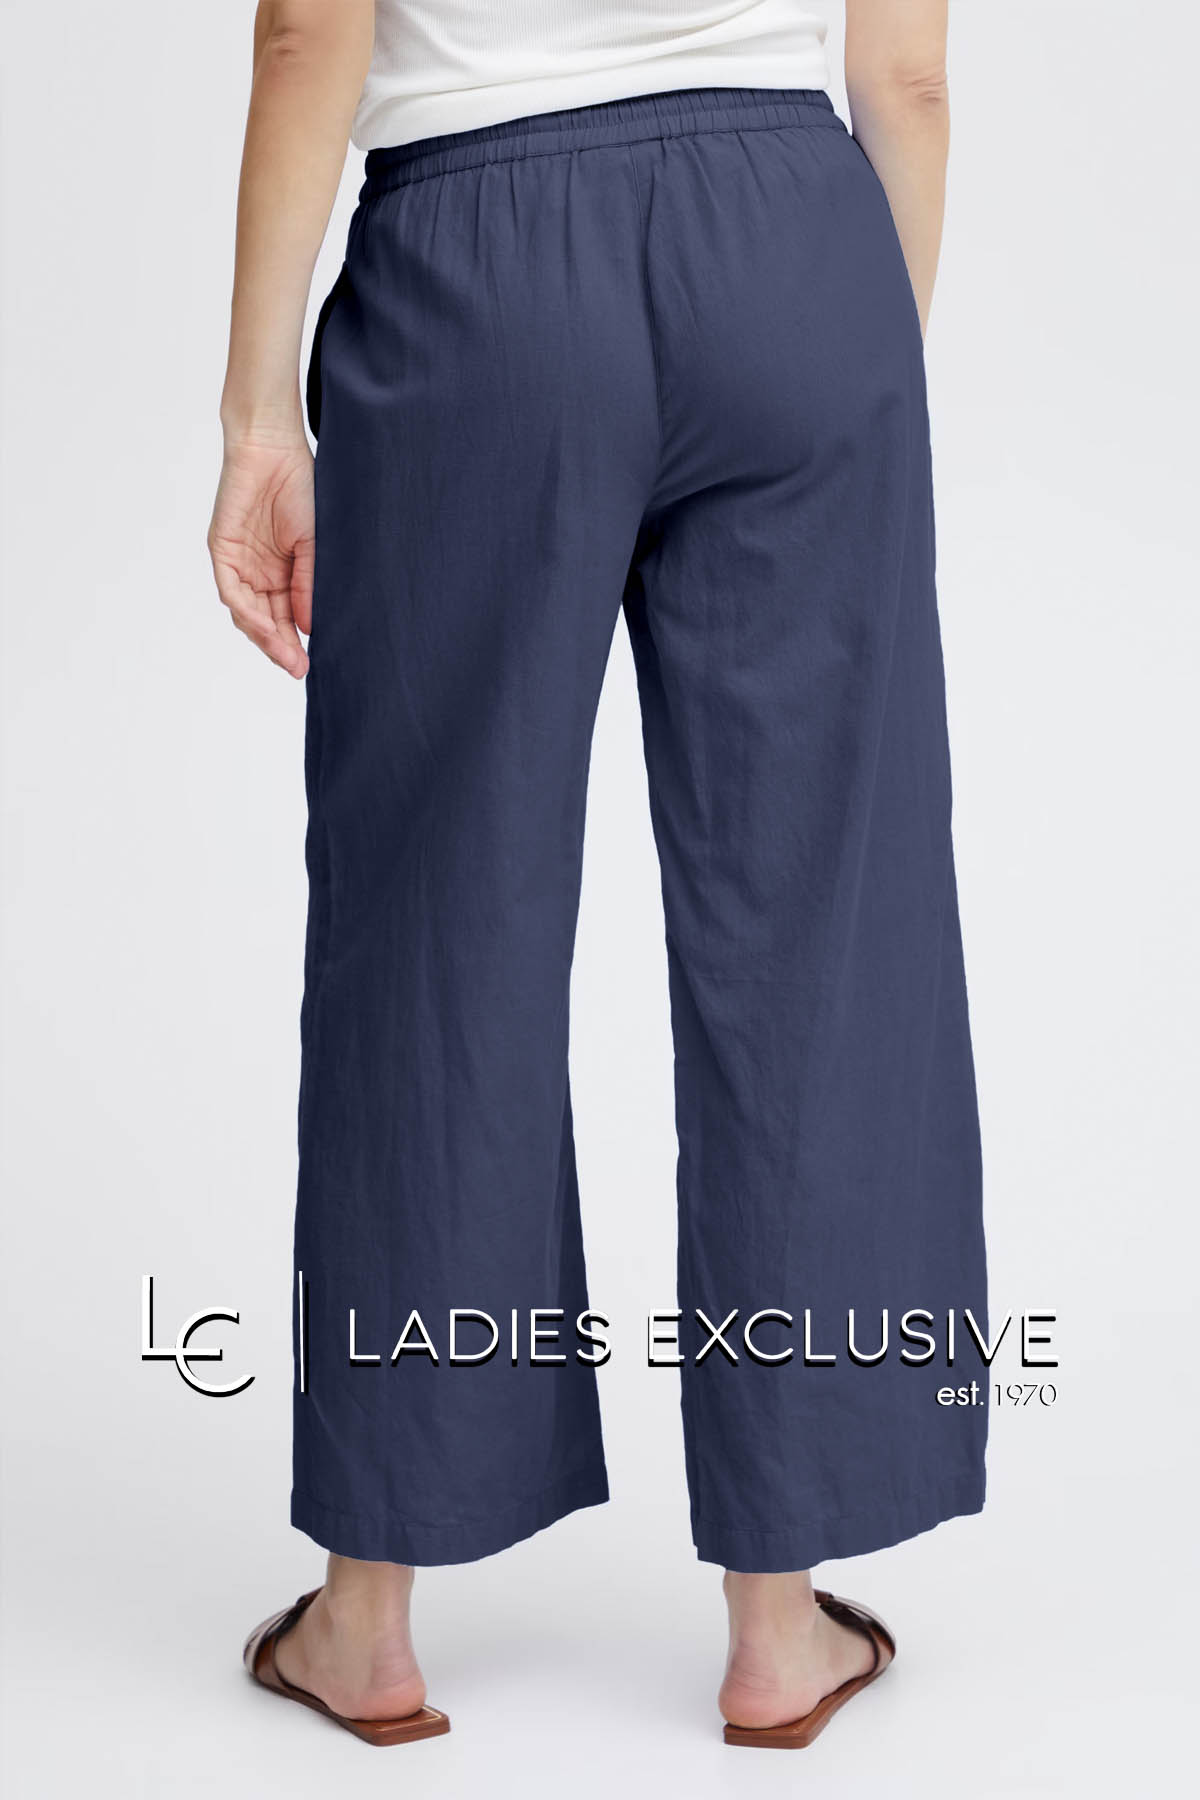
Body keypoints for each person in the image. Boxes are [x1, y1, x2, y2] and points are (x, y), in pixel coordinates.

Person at [211, 0, 987, 1751]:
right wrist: (848, 350)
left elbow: (310, 30)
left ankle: (368, 1619)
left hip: (477, 271)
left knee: (436, 926)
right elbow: (910, 75)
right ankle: (781, 1630)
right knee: (819, 928)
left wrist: (260, 415)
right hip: (798, 247)